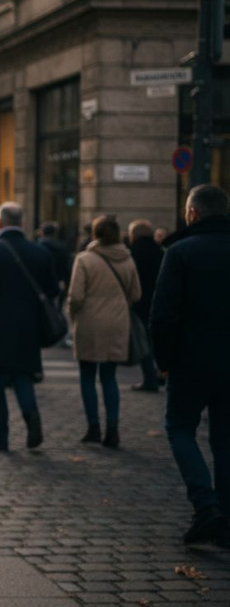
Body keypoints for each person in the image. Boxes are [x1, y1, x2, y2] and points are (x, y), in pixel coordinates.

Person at [150, 184, 230, 546]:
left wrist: (164, 361)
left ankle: (205, 505)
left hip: (192, 360)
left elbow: (163, 314)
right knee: (226, 440)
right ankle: (225, 518)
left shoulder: (180, 251)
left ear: (193, 213)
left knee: (180, 428)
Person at [0, 202, 58, 452]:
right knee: (23, 376)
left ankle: (1, 435)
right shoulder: (39, 253)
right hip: (28, 327)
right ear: (22, 222)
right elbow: (52, 290)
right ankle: (31, 417)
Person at [67, 215, 141, 448]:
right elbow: (136, 294)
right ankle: (113, 429)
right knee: (109, 378)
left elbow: (76, 296)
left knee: (87, 377)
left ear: (95, 234)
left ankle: (93, 427)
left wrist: (73, 313)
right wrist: (119, 304)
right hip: (117, 322)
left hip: (89, 322)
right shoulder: (127, 259)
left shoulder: (85, 259)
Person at [127, 219, 163, 392]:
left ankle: (150, 378)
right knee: (157, 340)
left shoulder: (133, 253)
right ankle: (161, 373)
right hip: (159, 301)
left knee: (144, 342)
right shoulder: (160, 251)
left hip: (140, 303)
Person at [37, 221, 73, 310]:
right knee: (57, 310)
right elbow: (68, 268)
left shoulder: (37, 248)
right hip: (60, 282)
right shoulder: (64, 248)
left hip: (42, 285)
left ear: (42, 232)